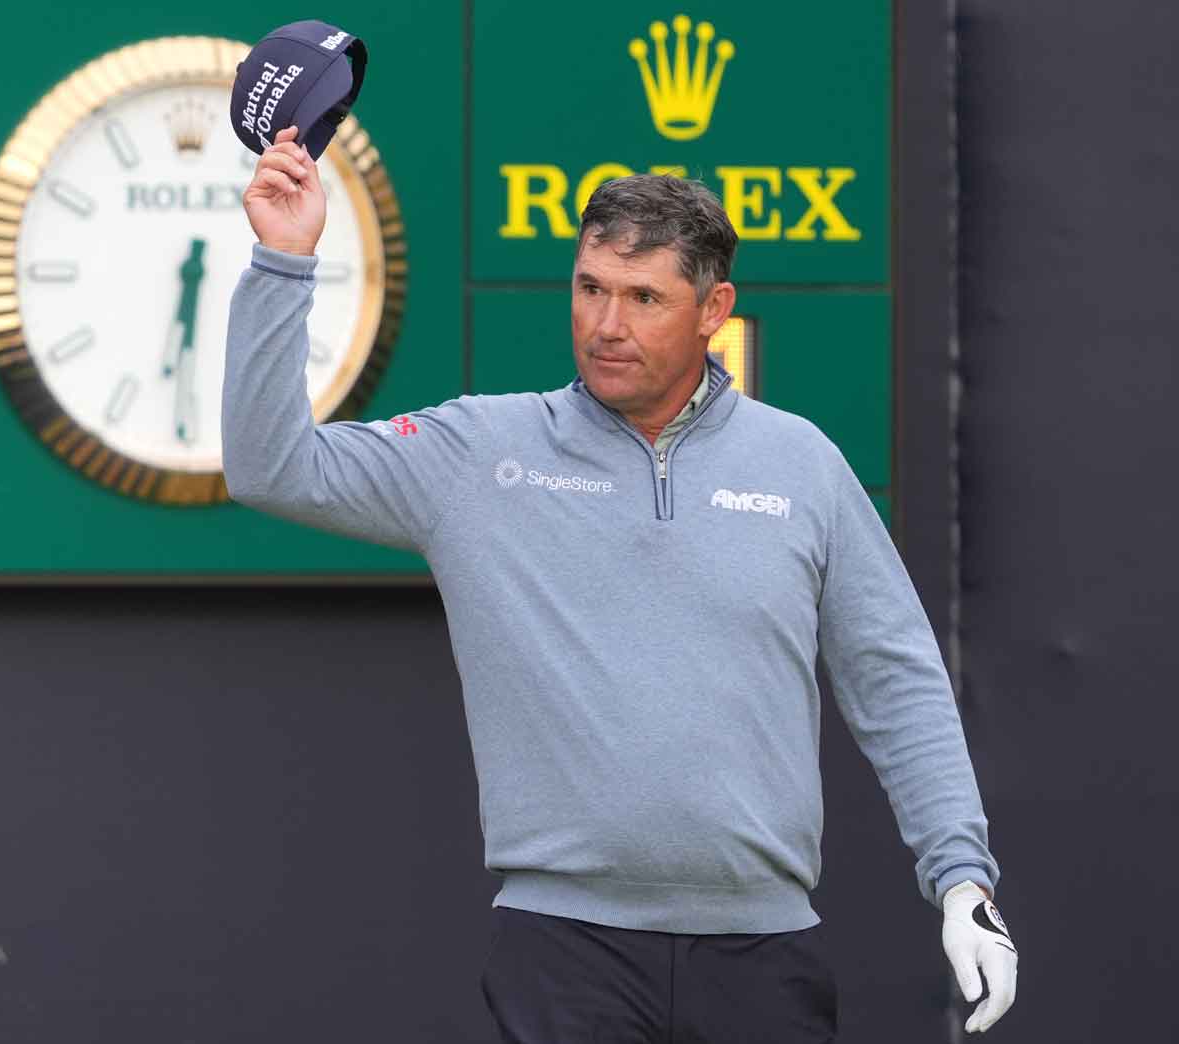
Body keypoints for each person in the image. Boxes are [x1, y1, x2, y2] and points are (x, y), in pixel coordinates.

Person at [223, 126, 1019, 1042]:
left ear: (713, 307)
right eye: (591, 289)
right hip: (565, 951)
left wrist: (963, 880)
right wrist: (283, 264)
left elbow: (897, 678)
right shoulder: (482, 453)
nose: (607, 324)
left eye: (644, 297)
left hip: (764, 954)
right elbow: (269, 466)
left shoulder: (802, 463)